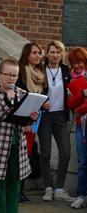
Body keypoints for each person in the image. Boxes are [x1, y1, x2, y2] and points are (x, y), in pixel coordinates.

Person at [0, 59, 39, 213]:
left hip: (18, 144)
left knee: (14, 184)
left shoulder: (22, 93)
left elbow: (26, 121)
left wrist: (32, 117)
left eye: (14, 75)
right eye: (8, 74)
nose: (11, 78)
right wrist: (7, 100)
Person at [36, 40, 73, 203]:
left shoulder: (66, 71)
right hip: (45, 116)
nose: (55, 55)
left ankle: (59, 188)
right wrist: (41, 103)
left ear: (62, 54)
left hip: (60, 117)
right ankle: (48, 188)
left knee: (65, 152)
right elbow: (34, 91)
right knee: (45, 152)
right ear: (47, 54)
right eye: (52, 52)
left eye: (58, 52)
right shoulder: (40, 71)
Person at [16, 42, 49, 204]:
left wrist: (45, 104)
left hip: (36, 118)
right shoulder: (21, 71)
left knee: (27, 155)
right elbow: (18, 97)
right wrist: (24, 122)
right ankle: (16, 192)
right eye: (34, 53)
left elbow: (43, 96)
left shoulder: (41, 73)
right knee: (19, 156)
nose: (38, 55)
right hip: (22, 120)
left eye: (39, 53)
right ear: (26, 54)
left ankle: (19, 192)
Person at [67, 47, 87, 208]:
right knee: (82, 163)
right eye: (74, 63)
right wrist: (84, 94)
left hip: (82, 120)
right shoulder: (73, 82)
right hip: (81, 126)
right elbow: (71, 104)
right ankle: (80, 195)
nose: (77, 66)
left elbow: (78, 107)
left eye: (79, 62)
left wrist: (81, 108)